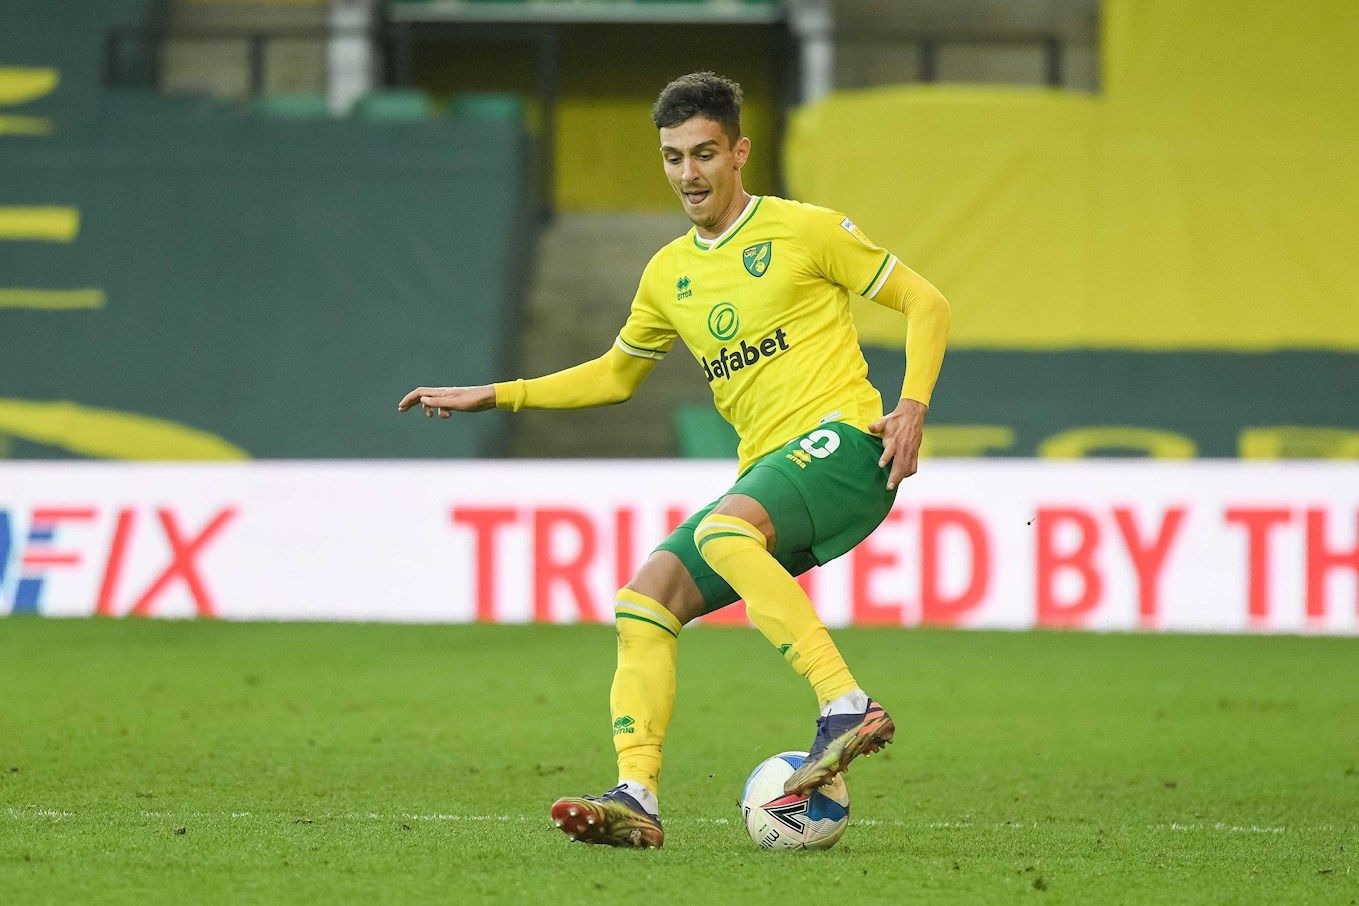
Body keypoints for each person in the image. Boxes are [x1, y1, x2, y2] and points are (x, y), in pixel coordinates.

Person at [399, 72, 949, 849]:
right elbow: (615, 376)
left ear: (738, 152)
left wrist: (912, 406)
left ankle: (844, 704)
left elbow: (927, 302)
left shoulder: (805, 229)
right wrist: (498, 394)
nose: (688, 174)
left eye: (703, 154)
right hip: (773, 472)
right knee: (644, 599)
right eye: (672, 157)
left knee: (724, 532)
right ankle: (636, 795)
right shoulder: (667, 273)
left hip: (847, 447)